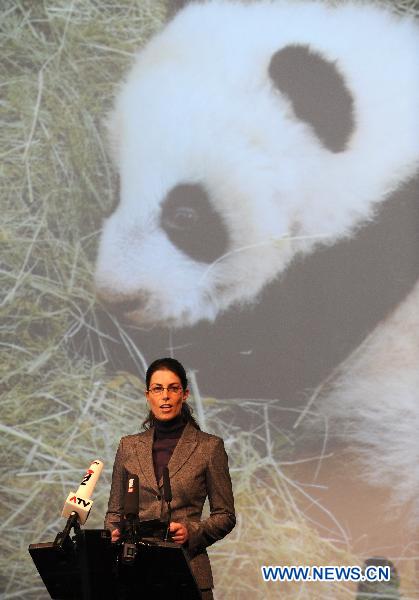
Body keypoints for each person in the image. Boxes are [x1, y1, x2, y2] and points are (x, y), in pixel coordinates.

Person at [105, 357, 236, 599]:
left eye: (172, 388)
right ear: (148, 395)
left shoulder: (209, 447)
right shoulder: (128, 447)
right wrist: (113, 532)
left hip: (187, 574)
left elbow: (225, 515)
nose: (165, 395)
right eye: (158, 388)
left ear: (184, 394)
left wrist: (192, 532)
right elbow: (115, 512)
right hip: (134, 577)